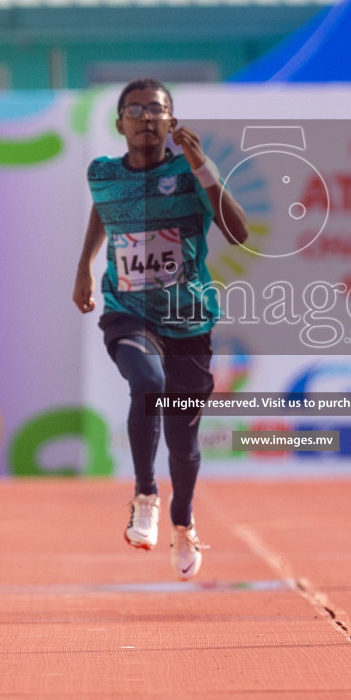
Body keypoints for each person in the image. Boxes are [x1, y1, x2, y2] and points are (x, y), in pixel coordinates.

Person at [73, 79, 248, 580]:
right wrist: (83, 266)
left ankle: (183, 521)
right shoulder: (102, 174)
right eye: (136, 109)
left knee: (183, 442)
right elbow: (105, 209)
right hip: (127, 309)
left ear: (172, 122)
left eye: (157, 109)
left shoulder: (189, 173)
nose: (146, 117)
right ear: (119, 123)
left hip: (187, 318)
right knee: (146, 384)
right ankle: (145, 494)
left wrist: (205, 169)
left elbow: (239, 232)